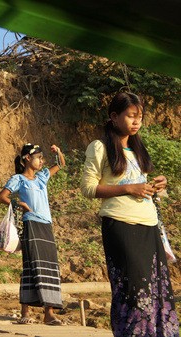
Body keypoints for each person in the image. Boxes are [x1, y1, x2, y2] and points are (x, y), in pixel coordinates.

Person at [80, 92, 179, 337]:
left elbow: (140, 185)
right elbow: (88, 188)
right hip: (121, 225)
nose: (136, 122)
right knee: (134, 291)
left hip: (149, 225)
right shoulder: (100, 147)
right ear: (114, 117)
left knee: (156, 290)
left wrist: (157, 186)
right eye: (131, 116)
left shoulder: (137, 147)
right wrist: (127, 188)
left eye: (140, 117)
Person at [0, 143, 66, 325]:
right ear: (28, 158)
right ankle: (25, 312)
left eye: (43, 158)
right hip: (30, 224)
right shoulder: (18, 179)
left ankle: (48, 313)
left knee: (49, 265)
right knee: (31, 264)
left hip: (46, 225)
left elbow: (60, 165)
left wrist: (58, 152)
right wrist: (18, 204)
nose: (42, 161)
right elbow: (1, 197)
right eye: (39, 158)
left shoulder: (42, 177)